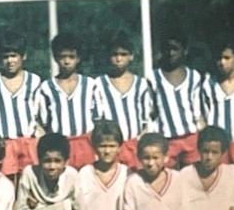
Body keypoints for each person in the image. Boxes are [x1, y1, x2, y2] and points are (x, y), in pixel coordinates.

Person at [0, 31, 42, 185]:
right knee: (6, 183)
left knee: (30, 183)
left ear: (23, 56)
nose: (10, 61)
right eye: (5, 57)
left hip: (28, 141)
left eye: (14, 56)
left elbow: (38, 113)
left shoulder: (34, 81)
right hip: (5, 142)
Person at [93, 31, 156, 171]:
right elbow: (97, 119)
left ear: (131, 56)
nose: (118, 59)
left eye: (123, 54)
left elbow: (147, 118)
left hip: (135, 145)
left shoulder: (141, 84)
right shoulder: (99, 84)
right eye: (114, 54)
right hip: (110, 148)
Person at [35, 33, 99, 169]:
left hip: (86, 144)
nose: (67, 61)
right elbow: (45, 121)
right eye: (62, 57)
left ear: (78, 58)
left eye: (71, 57)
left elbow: (97, 116)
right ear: (55, 57)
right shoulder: (46, 87)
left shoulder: (90, 85)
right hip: (59, 146)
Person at [149, 31, 205, 169]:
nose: (171, 53)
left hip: (190, 137)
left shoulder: (194, 77)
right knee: (168, 176)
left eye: (175, 49)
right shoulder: (153, 77)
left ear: (184, 50)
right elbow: (151, 109)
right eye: (167, 49)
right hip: (166, 139)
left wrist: (201, 132)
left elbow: (197, 109)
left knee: (192, 175)